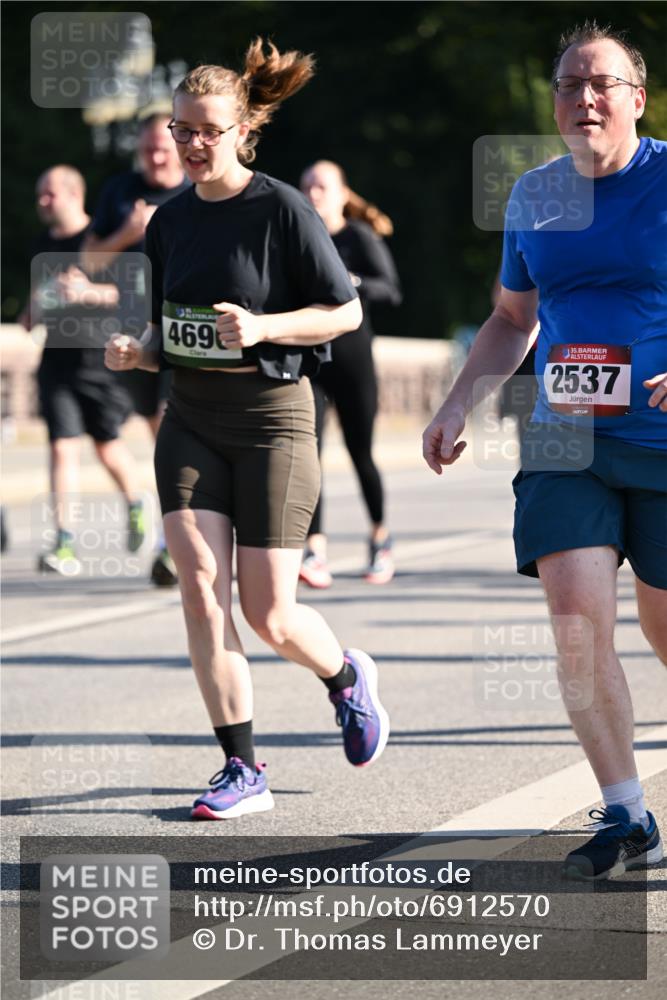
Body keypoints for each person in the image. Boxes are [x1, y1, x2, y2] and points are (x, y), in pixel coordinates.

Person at [105, 38, 390, 820]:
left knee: (269, 613)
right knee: (199, 592)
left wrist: (262, 328)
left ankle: (343, 678)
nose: (192, 144)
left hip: (273, 422)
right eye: (181, 130)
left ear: (241, 133)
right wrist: (141, 348)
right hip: (190, 419)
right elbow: (168, 325)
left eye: (208, 130)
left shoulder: (281, 209)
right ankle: (240, 768)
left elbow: (345, 310)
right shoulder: (166, 222)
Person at [423, 21, 666, 879]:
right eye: (568, 85)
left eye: (601, 83)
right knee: (575, 624)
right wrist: (457, 402)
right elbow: (510, 318)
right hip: (565, 437)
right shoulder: (532, 196)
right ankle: (627, 815)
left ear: (636, 97)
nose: (583, 98)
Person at [82, 114, 191, 586]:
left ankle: (177, 542)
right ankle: (185, 530)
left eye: (163, 147)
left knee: (174, 435)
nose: (158, 156)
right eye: (148, 148)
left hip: (183, 328)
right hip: (132, 331)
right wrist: (129, 232)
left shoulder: (197, 189)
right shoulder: (121, 191)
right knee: (160, 438)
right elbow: (88, 260)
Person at [20, 165, 144, 575]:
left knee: (108, 447)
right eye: (40, 194)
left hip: (100, 360)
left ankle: (136, 504)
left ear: (74, 194)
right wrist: (35, 307)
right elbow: (30, 314)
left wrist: (88, 292)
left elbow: (134, 294)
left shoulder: (100, 239)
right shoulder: (42, 243)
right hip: (55, 362)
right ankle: (65, 542)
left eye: (49, 193)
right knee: (61, 446)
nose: (42, 201)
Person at [298, 161, 402, 587]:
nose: (313, 194)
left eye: (321, 186)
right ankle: (314, 549)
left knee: (361, 454)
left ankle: (380, 537)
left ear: (342, 194)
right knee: (309, 457)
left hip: (354, 358)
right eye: (306, 187)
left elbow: (391, 289)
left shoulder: (359, 236)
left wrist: (350, 280)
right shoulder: (297, 239)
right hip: (311, 361)